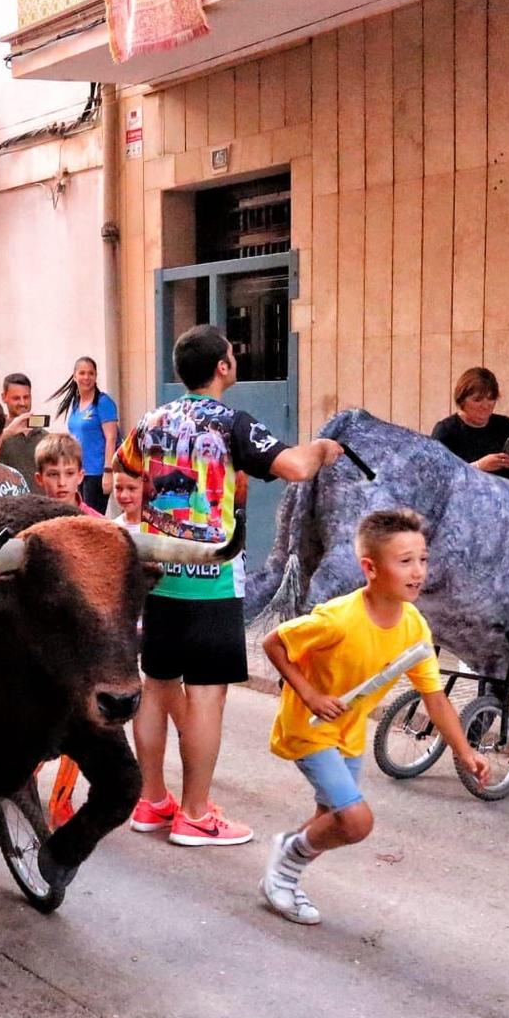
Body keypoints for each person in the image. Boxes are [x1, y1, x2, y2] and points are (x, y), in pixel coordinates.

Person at [121, 323, 344, 848]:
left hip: (157, 577)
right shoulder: (231, 422)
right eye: (232, 355)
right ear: (223, 367)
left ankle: (151, 802)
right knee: (205, 696)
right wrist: (321, 449)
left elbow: (123, 469)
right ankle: (195, 814)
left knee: (156, 687)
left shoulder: (151, 419)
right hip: (211, 581)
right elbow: (294, 468)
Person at [260, 509, 489, 924]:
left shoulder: (415, 627)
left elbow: (435, 699)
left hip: (348, 734)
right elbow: (274, 643)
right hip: (309, 731)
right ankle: (285, 866)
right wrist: (309, 694)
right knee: (356, 822)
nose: (418, 571)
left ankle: (286, 867)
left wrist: (464, 752)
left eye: (423, 559)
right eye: (405, 561)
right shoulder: (338, 619)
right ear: (370, 568)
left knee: (328, 818)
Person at [431, 367, 509, 481]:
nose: (485, 406)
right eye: (477, 400)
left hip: (504, 496)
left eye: (491, 399)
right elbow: (435, 476)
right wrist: (479, 466)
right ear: (462, 400)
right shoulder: (446, 430)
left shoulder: (506, 425)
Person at [50, 357, 119, 511]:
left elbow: (111, 438)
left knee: (91, 516)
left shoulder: (103, 402)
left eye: (91, 373)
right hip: (78, 472)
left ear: (95, 376)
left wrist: (108, 472)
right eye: (82, 373)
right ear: (74, 376)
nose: (86, 377)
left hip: (97, 473)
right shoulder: (76, 403)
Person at [0, 372, 45, 476]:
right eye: (16, 398)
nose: (22, 403)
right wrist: (7, 433)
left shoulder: (44, 436)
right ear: (4, 397)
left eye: (26, 397)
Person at [32, 432, 96, 513]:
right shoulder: (31, 521)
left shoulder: (97, 522)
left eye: (70, 473)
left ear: (80, 476)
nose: (62, 483)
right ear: (39, 479)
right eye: (53, 474)